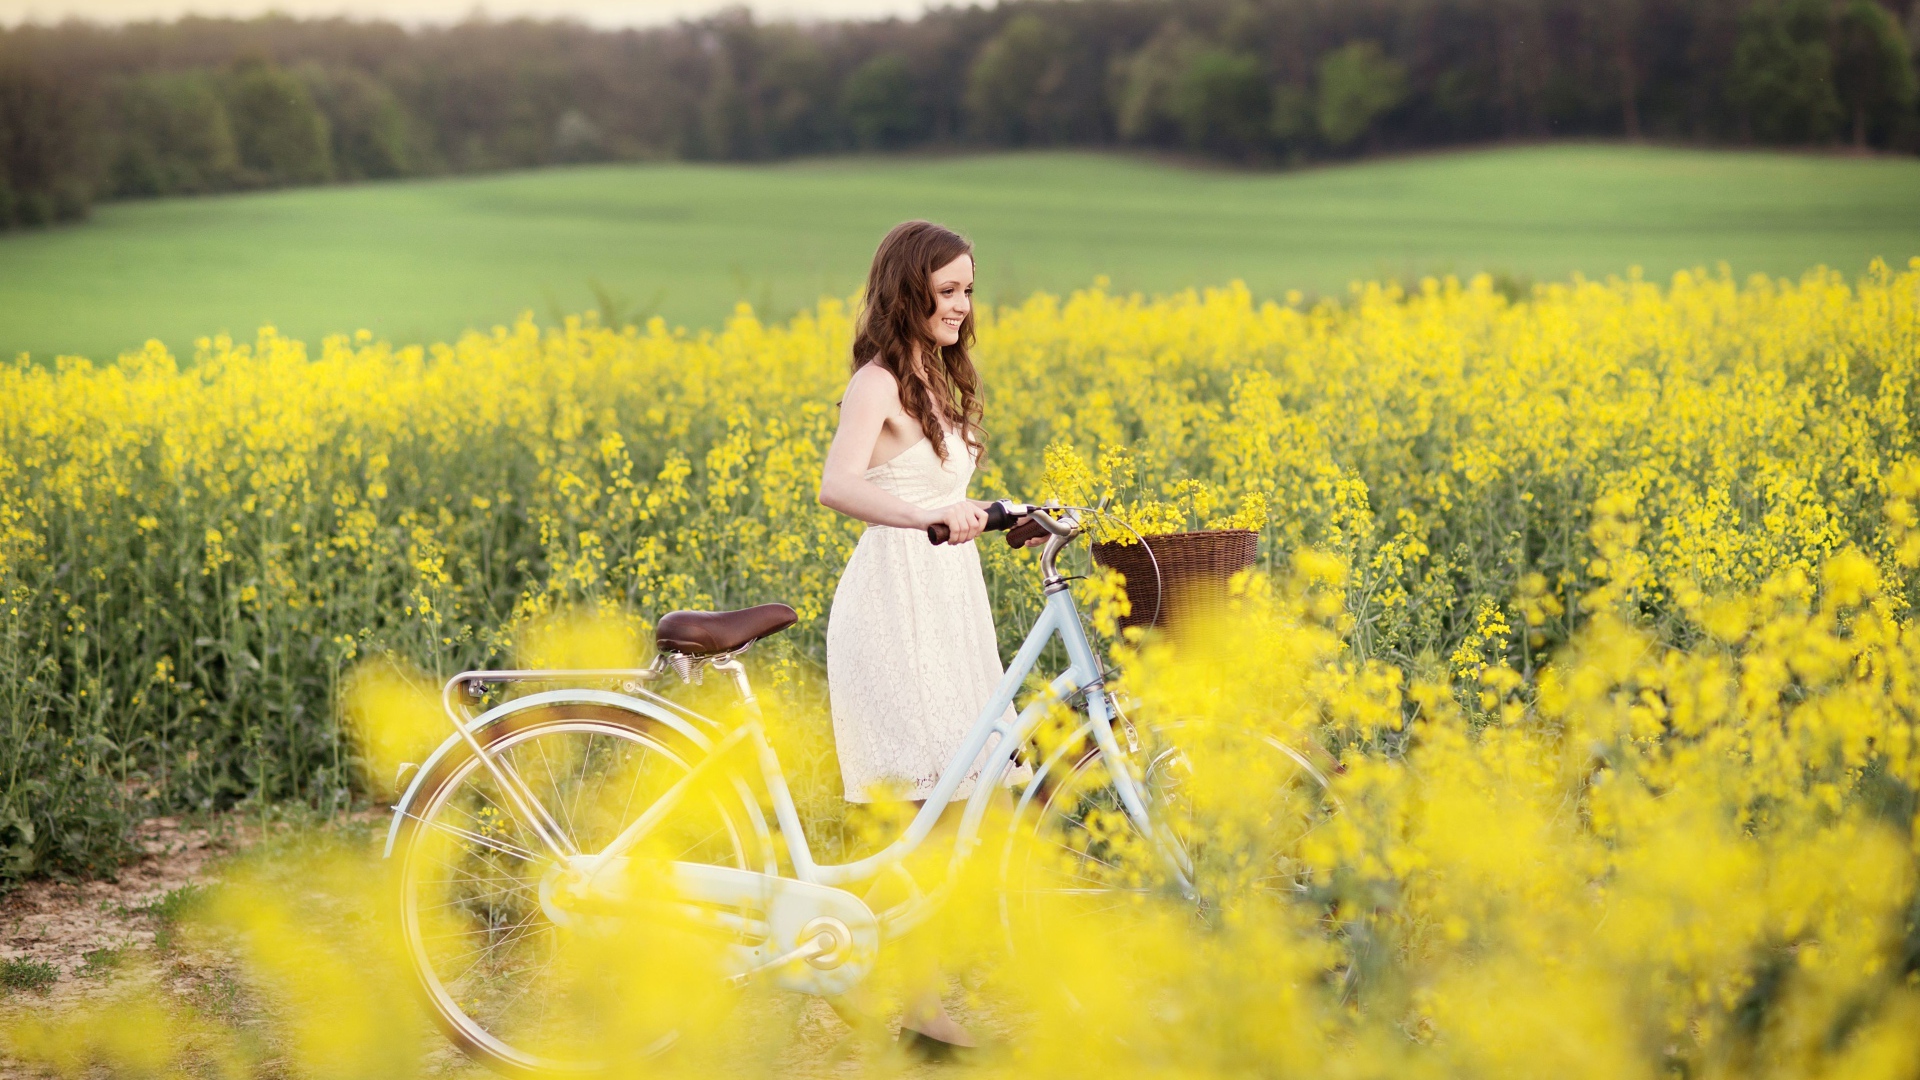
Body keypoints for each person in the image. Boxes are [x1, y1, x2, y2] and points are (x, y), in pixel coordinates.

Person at [816, 219, 1033, 1055]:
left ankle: (892, 985)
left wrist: (1000, 514)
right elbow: (838, 485)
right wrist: (923, 515)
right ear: (909, 292)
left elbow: (943, 491)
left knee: (962, 804)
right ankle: (907, 999)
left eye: (968, 289)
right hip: (895, 600)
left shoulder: (940, 380)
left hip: (948, 598)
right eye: (947, 290)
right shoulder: (877, 382)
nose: (962, 305)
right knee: (921, 810)